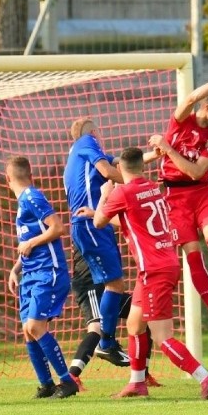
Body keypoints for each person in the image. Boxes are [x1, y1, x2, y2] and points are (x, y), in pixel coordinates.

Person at [87, 147, 208, 399]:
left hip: (153, 269)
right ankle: (137, 383)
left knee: (162, 336)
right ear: (141, 166)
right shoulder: (150, 188)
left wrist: (103, 197)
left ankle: (206, 378)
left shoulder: (122, 192)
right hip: (163, 263)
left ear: (120, 169)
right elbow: (131, 220)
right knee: (134, 325)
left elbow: (99, 223)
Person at [147, 68, 208, 332]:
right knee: (192, 254)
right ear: (207, 107)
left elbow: (195, 171)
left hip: (201, 192)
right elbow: (189, 99)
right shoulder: (181, 122)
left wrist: (167, 149)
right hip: (174, 197)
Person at [5, 156, 78, 399]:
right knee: (28, 331)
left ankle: (67, 382)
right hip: (31, 274)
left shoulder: (31, 197)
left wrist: (31, 243)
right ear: (31, 175)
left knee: (35, 326)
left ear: (8, 179)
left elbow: (57, 227)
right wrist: (17, 268)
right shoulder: (24, 201)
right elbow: (31, 241)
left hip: (49, 272)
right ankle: (46, 384)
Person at [64, 118, 129, 364]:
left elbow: (125, 163)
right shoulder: (86, 142)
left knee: (117, 287)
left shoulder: (82, 153)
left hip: (94, 226)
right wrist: (136, 182)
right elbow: (108, 171)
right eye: (97, 132)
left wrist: (157, 154)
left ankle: (110, 348)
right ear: (92, 132)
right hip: (91, 225)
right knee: (113, 287)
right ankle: (106, 343)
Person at [65, 247, 164, 391]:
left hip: (109, 287)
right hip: (90, 283)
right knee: (96, 328)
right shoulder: (86, 226)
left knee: (143, 316)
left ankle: (143, 374)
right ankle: (72, 377)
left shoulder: (102, 230)